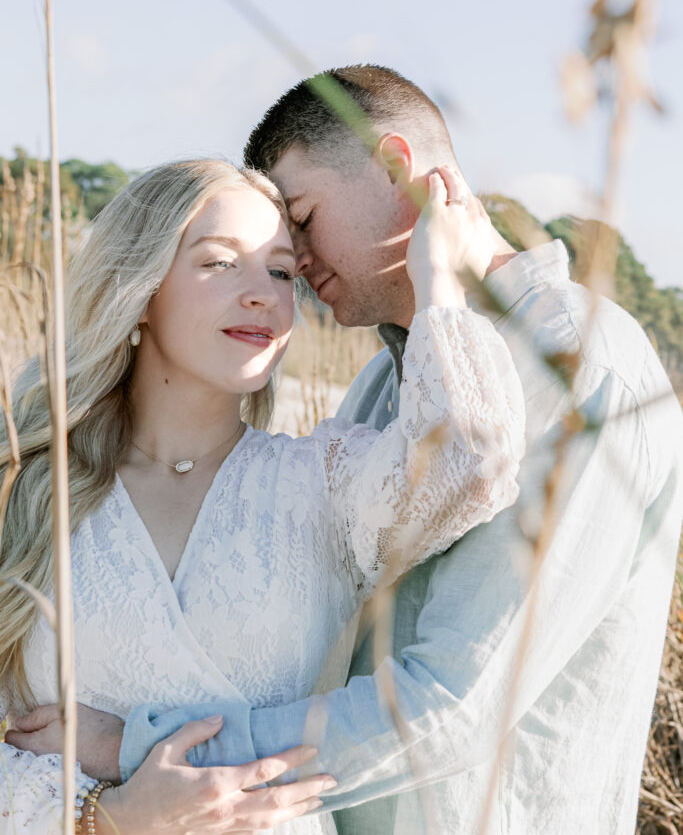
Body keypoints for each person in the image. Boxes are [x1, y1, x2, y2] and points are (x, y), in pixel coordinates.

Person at [38, 65, 682, 834]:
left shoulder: (570, 365)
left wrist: (132, 746)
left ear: (398, 172)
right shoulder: (384, 382)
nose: (295, 267)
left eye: (301, 221)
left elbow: (454, 705)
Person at [0, 156, 527, 833]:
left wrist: (436, 283)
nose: (264, 295)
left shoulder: (321, 482)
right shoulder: (27, 481)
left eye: (282, 272)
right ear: (140, 287)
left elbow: (471, 460)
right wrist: (106, 818)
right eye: (221, 263)